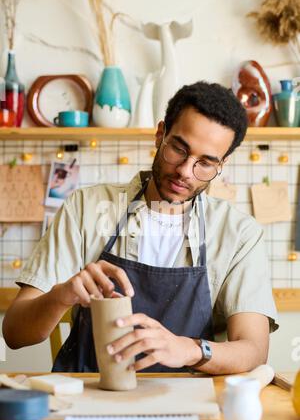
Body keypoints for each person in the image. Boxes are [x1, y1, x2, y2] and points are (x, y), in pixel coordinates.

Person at [3, 81, 278, 374]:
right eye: (179, 149)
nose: (185, 171)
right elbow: (15, 334)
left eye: (206, 163)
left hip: (190, 402)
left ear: (222, 165)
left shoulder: (238, 234)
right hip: (90, 396)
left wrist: (189, 349)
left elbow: (253, 350)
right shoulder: (85, 207)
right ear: (160, 134)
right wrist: (62, 295)